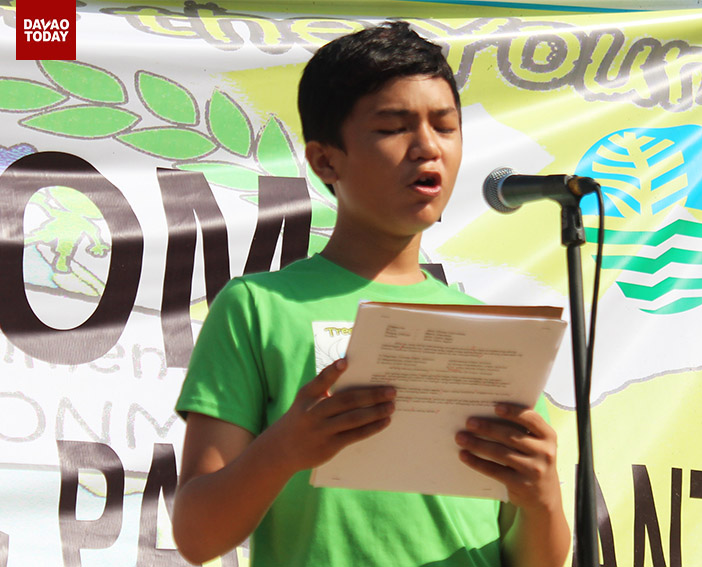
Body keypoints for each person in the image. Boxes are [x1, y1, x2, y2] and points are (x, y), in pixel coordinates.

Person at [172, 21, 570, 567]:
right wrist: (286, 448)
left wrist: (541, 493)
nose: (427, 147)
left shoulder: (493, 330)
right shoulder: (258, 307)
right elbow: (196, 538)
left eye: (445, 126)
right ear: (324, 161)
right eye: (392, 126)